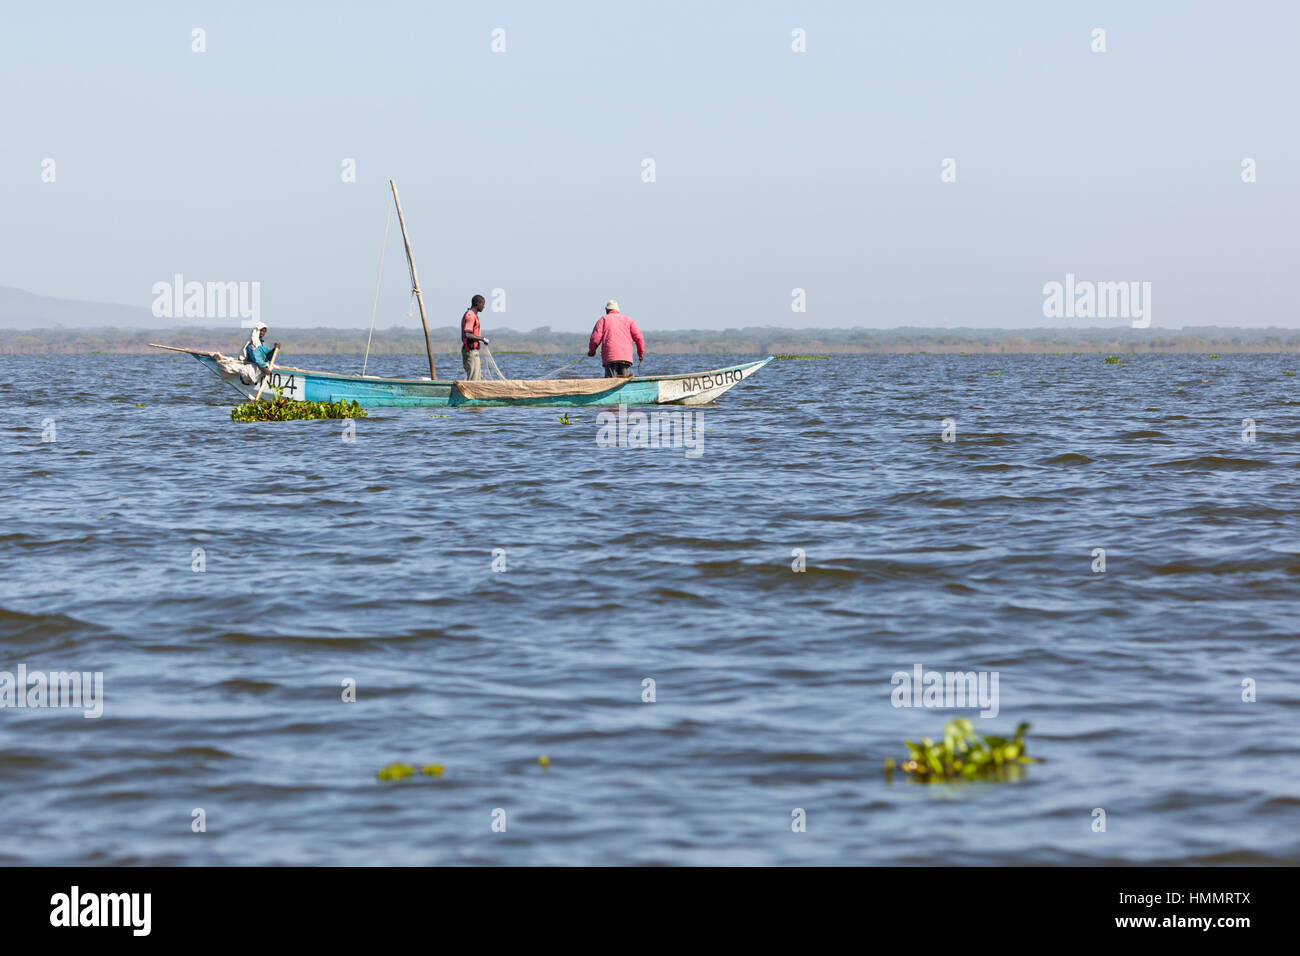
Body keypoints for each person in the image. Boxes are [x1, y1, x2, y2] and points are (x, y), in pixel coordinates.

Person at [587, 300, 645, 377]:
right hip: (625, 357)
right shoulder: (628, 320)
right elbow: (639, 338)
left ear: (607, 310)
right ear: (617, 310)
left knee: (611, 382)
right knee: (625, 382)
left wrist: (591, 352)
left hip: (610, 357)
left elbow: (595, 339)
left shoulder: (603, 320)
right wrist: (640, 354)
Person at [461, 295, 489, 380]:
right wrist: (482, 339)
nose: (484, 307)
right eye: (483, 304)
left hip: (473, 352)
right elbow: (467, 334)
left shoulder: (473, 315)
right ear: (477, 304)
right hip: (470, 352)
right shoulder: (470, 316)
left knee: (476, 377)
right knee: (473, 378)